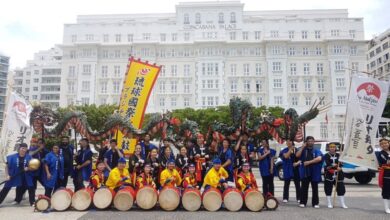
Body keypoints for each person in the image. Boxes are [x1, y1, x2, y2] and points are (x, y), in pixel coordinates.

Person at [296, 136, 323, 208]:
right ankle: (303, 202)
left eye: (312, 141)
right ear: (306, 142)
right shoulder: (303, 150)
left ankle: (315, 203)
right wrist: (302, 147)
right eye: (309, 141)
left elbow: (319, 158)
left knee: (315, 188)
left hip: (314, 172)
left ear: (314, 142)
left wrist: (309, 162)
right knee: (304, 188)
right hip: (305, 172)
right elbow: (297, 155)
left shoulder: (317, 150)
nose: (310, 142)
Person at [324, 143, 347, 209]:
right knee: (328, 188)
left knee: (341, 189)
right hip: (329, 174)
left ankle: (342, 204)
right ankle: (329, 203)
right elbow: (327, 165)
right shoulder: (326, 155)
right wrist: (334, 166)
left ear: (335, 148)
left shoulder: (339, 155)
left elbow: (342, 163)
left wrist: (341, 166)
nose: (332, 148)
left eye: (333, 147)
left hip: (339, 174)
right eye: (331, 147)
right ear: (328, 148)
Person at [280, 139, 301, 203]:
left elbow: (301, 159)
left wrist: (297, 163)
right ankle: (285, 197)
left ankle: (299, 198)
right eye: (287, 141)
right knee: (286, 183)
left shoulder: (297, 150)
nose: (288, 142)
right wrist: (290, 149)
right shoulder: (284, 150)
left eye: (290, 141)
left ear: (292, 142)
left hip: (296, 168)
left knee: (297, 184)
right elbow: (286, 156)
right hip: (287, 168)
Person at [378, 138, 390, 214]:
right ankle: (386, 208)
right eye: (382, 144)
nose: (384, 144)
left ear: (389, 143)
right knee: (386, 191)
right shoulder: (380, 154)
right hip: (386, 174)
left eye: (385, 143)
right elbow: (385, 162)